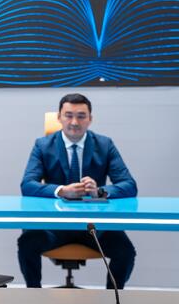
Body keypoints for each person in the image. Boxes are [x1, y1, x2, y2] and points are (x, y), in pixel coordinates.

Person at [18, 93, 137, 288]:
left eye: (81, 116)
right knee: (27, 244)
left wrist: (99, 191)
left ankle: (112, 298)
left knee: (125, 251)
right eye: (69, 115)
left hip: (94, 226)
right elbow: (27, 184)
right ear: (59, 117)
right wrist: (61, 190)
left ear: (90, 119)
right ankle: (34, 295)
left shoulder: (105, 145)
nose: (74, 122)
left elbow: (129, 185)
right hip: (55, 226)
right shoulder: (43, 145)